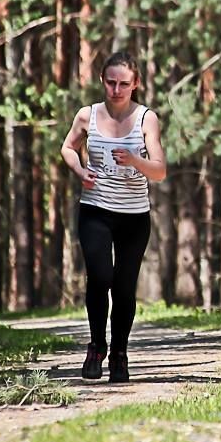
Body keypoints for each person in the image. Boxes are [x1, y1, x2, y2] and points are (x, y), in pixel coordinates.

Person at [61, 51, 167, 383]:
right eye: (110, 83)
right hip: (95, 210)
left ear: (136, 84)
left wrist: (135, 160)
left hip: (134, 216)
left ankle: (119, 352)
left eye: (123, 84)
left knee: (123, 286)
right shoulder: (87, 115)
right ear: (102, 81)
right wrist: (80, 170)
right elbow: (68, 147)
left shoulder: (146, 119)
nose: (116, 90)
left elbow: (160, 171)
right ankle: (96, 346)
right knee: (99, 277)